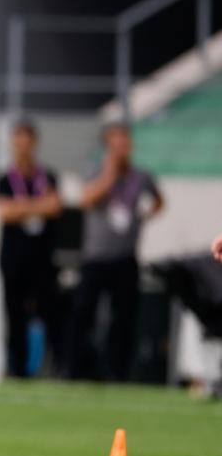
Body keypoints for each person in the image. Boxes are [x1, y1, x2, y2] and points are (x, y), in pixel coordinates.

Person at [67, 123, 164, 381]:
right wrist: (110, 174)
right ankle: (76, 368)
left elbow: (158, 201)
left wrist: (144, 217)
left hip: (125, 257)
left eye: (125, 144)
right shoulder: (95, 171)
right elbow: (86, 199)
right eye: (116, 145)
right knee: (83, 312)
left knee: (124, 317)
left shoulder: (141, 176)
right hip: (95, 257)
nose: (122, 149)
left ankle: (117, 371)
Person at [0, 120, 63, 377]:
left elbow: (55, 207)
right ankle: (17, 368)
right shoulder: (5, 179)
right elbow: (6, 212)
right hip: (14, 258)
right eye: (18, 141)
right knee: (15, 315)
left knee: (50, 312)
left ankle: (57, 366)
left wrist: (22, 207)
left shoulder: (48, 177)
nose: (22, 147)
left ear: (34, 143)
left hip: (43, 258)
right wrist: (38, 206)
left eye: (26, 141)